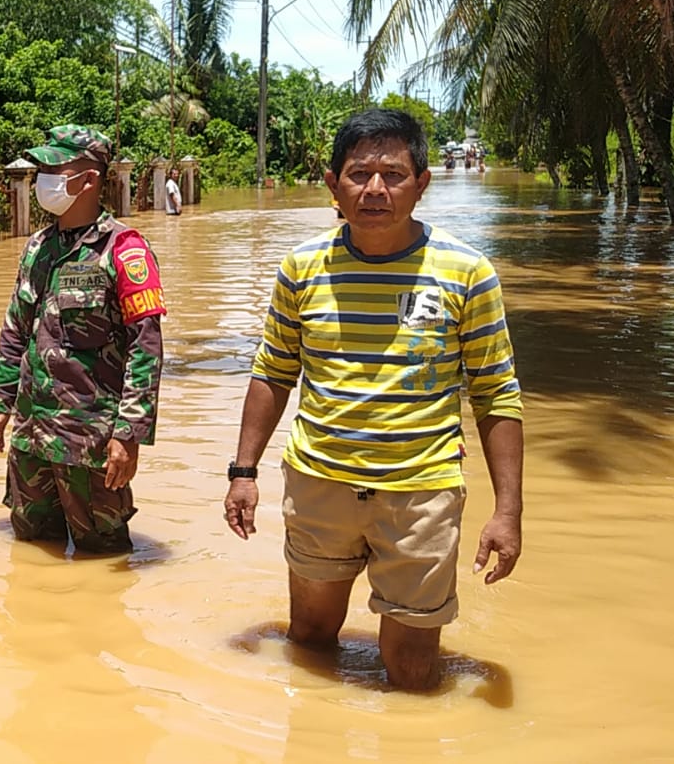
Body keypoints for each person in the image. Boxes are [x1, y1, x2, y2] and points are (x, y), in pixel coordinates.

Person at [222, 108, 524, 690]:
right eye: (359, 174)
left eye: (394, 173)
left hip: (420, 492)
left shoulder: (468, 273)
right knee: (309, 639)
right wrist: (243, 471)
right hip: (319, 483)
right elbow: (273, 372)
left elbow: (495, 395)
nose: (376, 189)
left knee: (412, 669)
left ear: (423, 182)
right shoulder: (301, 268)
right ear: (333, 184)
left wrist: (507, 511)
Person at [0, 125, 166, 555]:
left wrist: (129, 434)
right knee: (30, 555)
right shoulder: (38, 248)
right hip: (31, 435)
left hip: (91, 441)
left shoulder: (123, 250)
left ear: (89, 180)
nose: (44, 177)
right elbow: (15, 330)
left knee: (102, 561)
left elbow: (146, 350)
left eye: (54, 168)